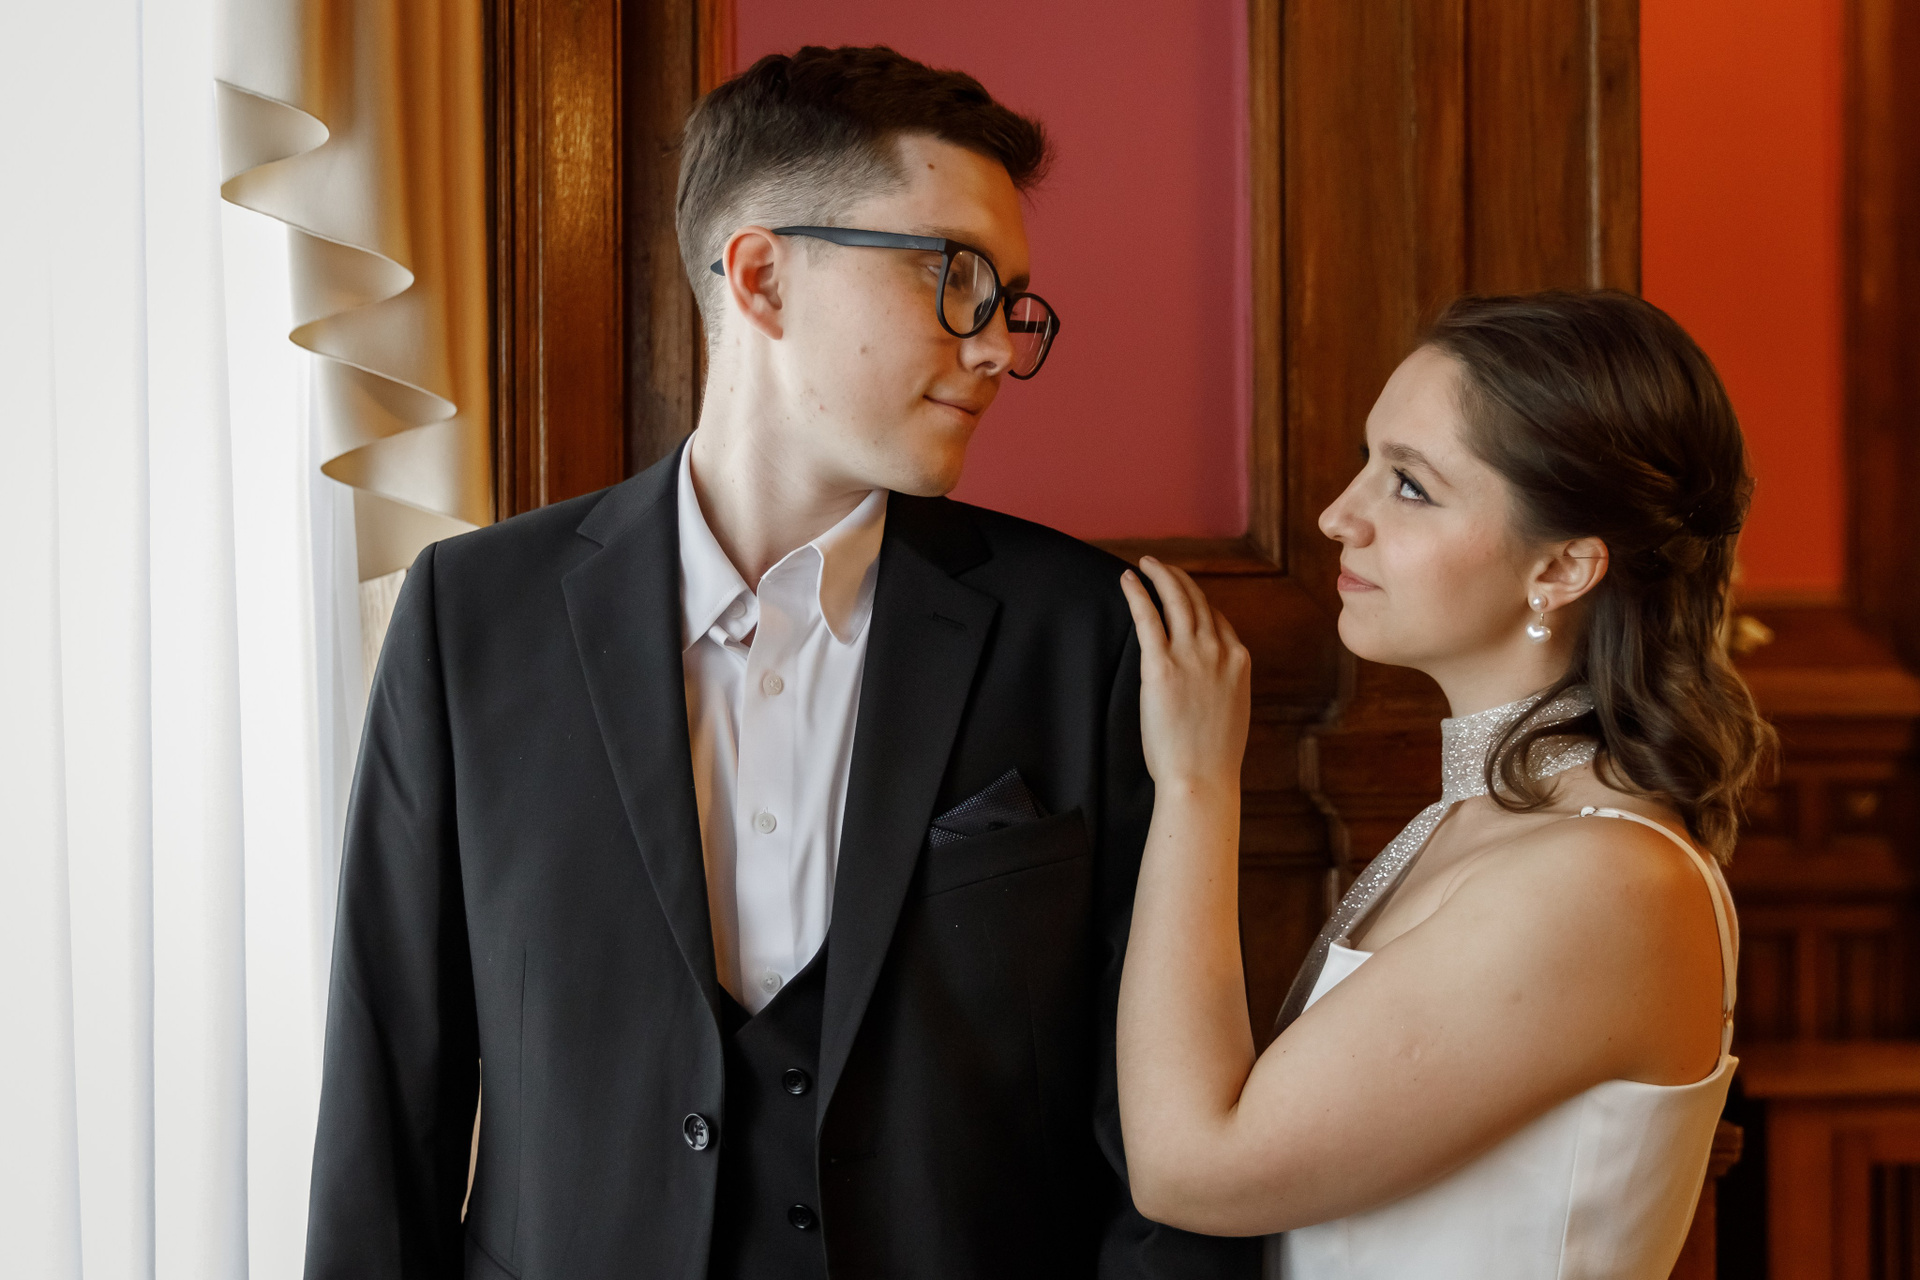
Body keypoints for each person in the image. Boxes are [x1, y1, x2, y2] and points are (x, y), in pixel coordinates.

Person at [302, 44, 1257, 1280]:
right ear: (761, 277)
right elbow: (388, 1100)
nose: (995, 349)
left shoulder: (1088, 636)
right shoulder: (471, 617)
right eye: (956, 277)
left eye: (1009, 303)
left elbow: (1161, 1150)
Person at [1115, 290, 1773, 1278]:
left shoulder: (1605, 879)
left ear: (1562, 567)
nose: (1340, 516)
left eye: (1409, 485)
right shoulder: (1483, 821)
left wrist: (1198, 781)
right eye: (1368, 461)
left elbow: (1189, 1170)